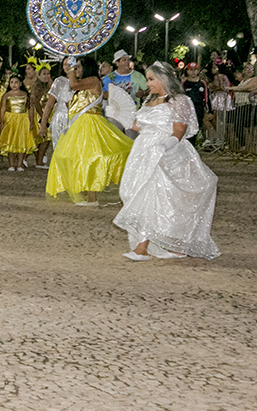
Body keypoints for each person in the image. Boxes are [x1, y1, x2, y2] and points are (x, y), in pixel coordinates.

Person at [115, 61, 219, 261]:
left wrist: (164, 147)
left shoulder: (179, 101)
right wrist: (120, 116)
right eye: (147, 79)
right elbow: (140, 126)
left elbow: (179, 131)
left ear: (164, 79)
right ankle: (153, 245)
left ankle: (143, 247)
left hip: (167, 153)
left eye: (151, 79)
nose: (148, 83)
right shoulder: (149, 101)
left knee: (156, 197)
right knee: (136, 193)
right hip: (144, 151)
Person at [46, 56, 133, 206]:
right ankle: (86, 193)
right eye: (76, 67)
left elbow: (73, 84)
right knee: (75, 157)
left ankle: (92, 198)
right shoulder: (82, 86)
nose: (76, 69)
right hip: (79, 124)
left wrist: (71, 69)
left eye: (79, 67)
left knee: (90, 158)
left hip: (91, 124)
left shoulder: (93, 80)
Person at [0, 75, 37, 172]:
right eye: (11, 82)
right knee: (11, 140)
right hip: (10, 119)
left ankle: (19, 164)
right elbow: (3, 108)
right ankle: (11, 164)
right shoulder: (6, 95)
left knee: (21, 140)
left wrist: (31, 121)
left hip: (22, 119)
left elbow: (30, 109)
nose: (13, 84)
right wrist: (2, 121)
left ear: (20, 83)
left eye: (16, 82)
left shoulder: (25, 94)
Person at [39, 57, 74, 149]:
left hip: (75, 118)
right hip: (60, 118)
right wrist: (43, 124)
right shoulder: (59, 81)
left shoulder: (82, 81)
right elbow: (49, 104)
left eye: (70, 64)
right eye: (65, 64)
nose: (67, 67)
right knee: (60, 148)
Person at [181, 62, 208, 147]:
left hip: (198, 108)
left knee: (196, 128)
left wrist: (209, 110)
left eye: (195, 70)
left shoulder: (202, 83)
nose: (193, 72)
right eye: (191, 70)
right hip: (187, 109)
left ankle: (192, 146)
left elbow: (206, 97)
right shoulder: (184, 84)